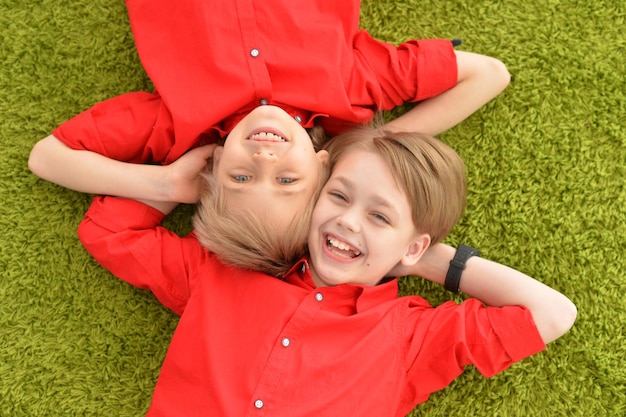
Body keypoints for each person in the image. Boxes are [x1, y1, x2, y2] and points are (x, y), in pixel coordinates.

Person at [76, 127, 576, 416]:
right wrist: (174, 185)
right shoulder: (221, 270)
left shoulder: (411, 335)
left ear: (414, 242)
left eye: (380, 216)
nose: (347, 220)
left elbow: (552, 313)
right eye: (337, 196)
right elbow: (110, 230)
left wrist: (429, 260)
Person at [29, 0, 510, 251]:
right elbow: (488, 74)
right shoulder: (351, 92)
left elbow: (47, 156)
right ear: (324, 168)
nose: (264, 158)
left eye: (241, 178)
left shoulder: (177, 123)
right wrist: (371, 145)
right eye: (287, 180)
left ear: (212, 170)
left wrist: (166, 181)